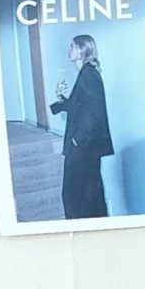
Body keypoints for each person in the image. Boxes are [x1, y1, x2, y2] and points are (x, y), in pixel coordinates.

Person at [49, 33, 112, 218]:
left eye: (72, 46)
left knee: (74, 196)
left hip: (83, 148)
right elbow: (79, 107)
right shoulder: (87, 73)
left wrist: (77, 139)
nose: (68, 49)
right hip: (86, 147)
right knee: (86, 196)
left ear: (82, 50)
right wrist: (60, 99)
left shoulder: (88, 75)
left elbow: (95, 113)